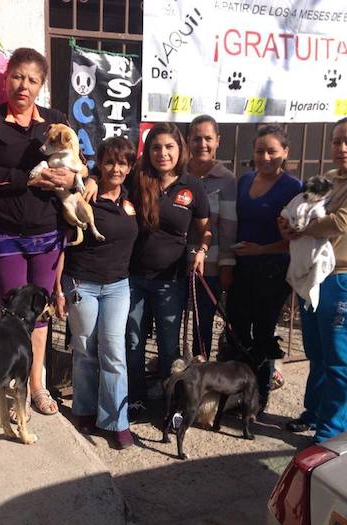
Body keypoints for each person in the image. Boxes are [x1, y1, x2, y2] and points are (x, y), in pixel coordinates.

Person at [0, 47, 93, 419]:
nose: (24, 85)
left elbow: (81, 161)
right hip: (3, 234)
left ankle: (37, 385)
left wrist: (75, 177)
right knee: (12, 315)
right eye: (18, 76)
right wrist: (28, 177)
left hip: (47, 233)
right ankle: (12, 382)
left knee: (40, 314)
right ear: (6, 78)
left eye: (32, 80)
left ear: (41, 85)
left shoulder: (54, 121)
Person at [280, 116, 347, 443]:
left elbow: (341, 222)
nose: (341, 148)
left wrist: (300, 228)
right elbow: (298, 208)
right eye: (336, 141)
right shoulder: (327, 178)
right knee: (316, 351)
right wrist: (286, 223)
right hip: (316, 276)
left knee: (338, 357)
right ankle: (314, 413)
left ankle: (333, 431)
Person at [54, 137, 138, 449]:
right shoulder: (83, 193)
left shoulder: (131, 200)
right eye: (110, 162)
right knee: (86, 350)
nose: (116, 168)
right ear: (99, 164)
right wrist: (58, 287)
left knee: (114, 352)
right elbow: (62, 241)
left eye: (122, 163)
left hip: (118, 286)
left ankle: (116, 421)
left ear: (129, 168)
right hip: (82, 284)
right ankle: (84, 411)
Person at [126, 123, 211, 420]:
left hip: (170, 281)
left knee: (168, 345)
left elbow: (204, 231)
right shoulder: (137, 179)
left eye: (169, 147)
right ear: (148, 152)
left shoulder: (192, 185)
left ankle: (169, 400)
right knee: (133, 342)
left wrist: (200, 252)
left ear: (180, 149)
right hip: (133, 277)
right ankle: (134, 398)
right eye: (156, 147)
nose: (162, 153)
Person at [226, 124, 302, 412]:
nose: (265, 157)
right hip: (242, 269)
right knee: (238, 332)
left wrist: (262, 250)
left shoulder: (294, 188)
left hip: (273, 272)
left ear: (285, 152)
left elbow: (296, 239)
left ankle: (258, 399)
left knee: (263, 335)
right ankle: (236, 392)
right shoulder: (244, 181)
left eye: (272, 151)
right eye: (260, 151)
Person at [185, 115, 237, 358]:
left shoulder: (226, 180)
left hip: (211, 266)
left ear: (218, 141)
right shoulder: (178, 173)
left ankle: (200, 374)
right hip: (177, 262)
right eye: (196, 138)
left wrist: (227, 264)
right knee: (174, 324)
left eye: (208, 138)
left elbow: (228, 226)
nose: (202, 144)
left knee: (202, 324)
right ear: (188, 141)